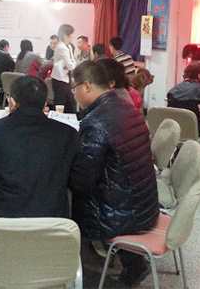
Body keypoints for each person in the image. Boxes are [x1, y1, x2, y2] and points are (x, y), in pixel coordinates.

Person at [70, 61, 158, 287]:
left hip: (122, 213)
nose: (74, 94)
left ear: (87, 86)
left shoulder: (96, 122)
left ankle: (68, 264)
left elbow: (84, 181)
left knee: (65, 195)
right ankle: (132, 261)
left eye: (74, 88)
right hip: (144, 202)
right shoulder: (126, 106)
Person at [0, 75, 94, 217]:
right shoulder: (68, 135)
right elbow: (83, 185)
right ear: (45, 104)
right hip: (50, 226)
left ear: (12, 102)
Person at [52, 24, 77, 113]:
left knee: (71, 104)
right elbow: (71, 66)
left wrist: (72, 63)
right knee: (60, 104)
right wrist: (72, 63)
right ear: (66, 35)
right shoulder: (61, 47)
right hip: (59, 79)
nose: (73, 36)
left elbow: (72, 61)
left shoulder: (69, 46)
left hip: (66, 79)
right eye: (71, 34)